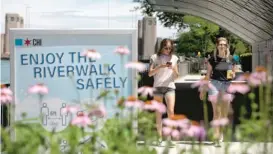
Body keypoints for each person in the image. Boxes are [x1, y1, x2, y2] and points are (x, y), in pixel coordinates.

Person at [200, 37, 235, 146]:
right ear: (217, 45)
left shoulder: (231, 59)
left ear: (227, 46)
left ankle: (221, 135)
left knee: (224, 114)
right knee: (216, 113)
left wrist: (233, 75)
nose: (222, 46)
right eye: (220, 44)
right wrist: (203, 90)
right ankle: (216, 137)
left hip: (227, 85)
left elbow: (233, 73)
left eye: (224, 44)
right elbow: (207, 75)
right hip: (214, 85)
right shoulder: (212, 59)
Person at [148, 38, 179, 139]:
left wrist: (173, 69)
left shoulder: (174, 58)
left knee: (171, 111)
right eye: (166, 48)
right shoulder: (154, 57)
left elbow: (176, 76)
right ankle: (159, 137)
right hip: (157, 86)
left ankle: (170, 136)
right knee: (158, 113)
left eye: (170, 48)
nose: (168, 50)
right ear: (161, 47)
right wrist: (160, 66)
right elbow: (150, 73)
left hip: (169, 86)